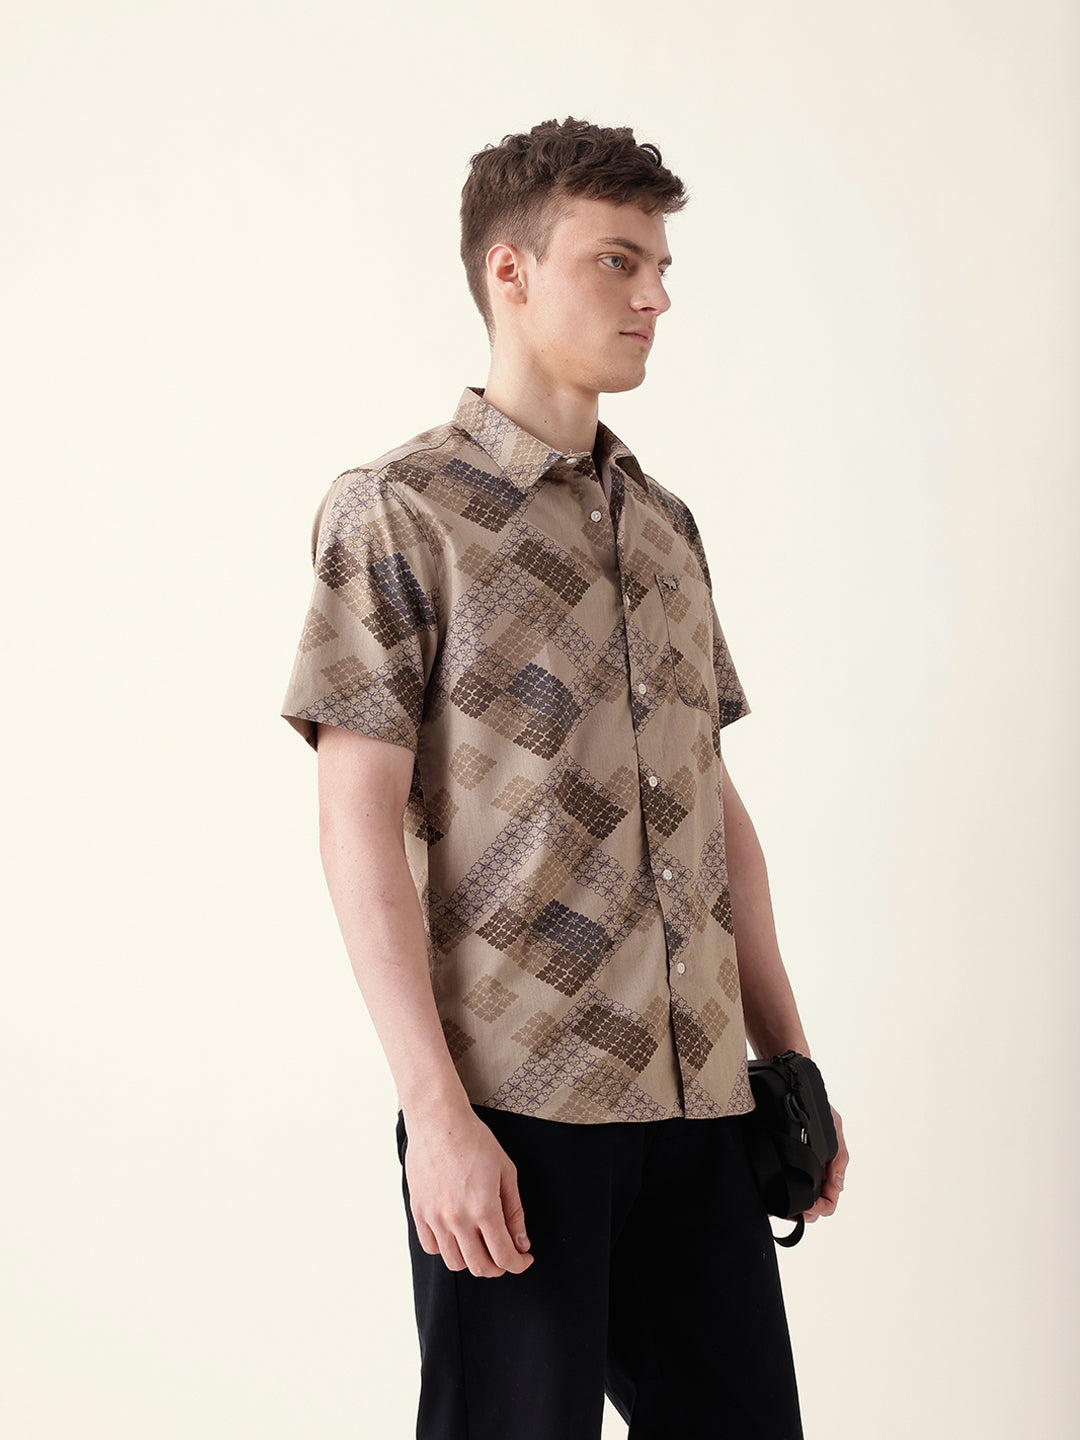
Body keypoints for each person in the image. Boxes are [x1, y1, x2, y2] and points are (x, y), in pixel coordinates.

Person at [281, 116, 848, 1440]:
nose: (656, 297)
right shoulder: (399, 513)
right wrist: (435, 1113)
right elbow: (354, 823)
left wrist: (789, 1058)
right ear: (512, 272)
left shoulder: (664, 525)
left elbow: (712, 806)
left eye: (661, 267)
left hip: (699, 1105)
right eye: (617, 261)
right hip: (518, 1110)